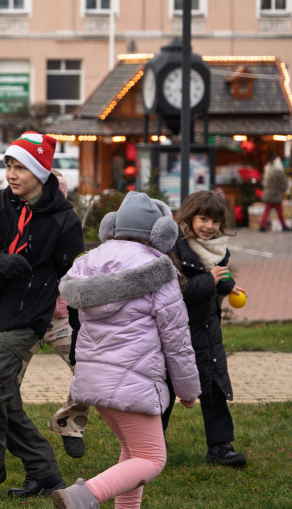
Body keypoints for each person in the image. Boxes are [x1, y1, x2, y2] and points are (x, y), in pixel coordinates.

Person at [0, 132, 84, 499]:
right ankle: (44, 473)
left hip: (29, 318)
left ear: (41, 172)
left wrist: (75, 325)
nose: (12, 174)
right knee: (2, 396)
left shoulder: (64, 221)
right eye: (9, 166)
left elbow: (72, 277)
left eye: (21, 168)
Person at [52, 191, 200, 509]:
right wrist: (188, 389)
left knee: (132, 453)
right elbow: (177, 340)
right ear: (161, 233)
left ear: (113, 227)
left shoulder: (89, 262)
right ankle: (84, 495)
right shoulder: (159, 272)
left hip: (94, 379)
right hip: (135, 380)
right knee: (151, 459)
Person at [164, 190, 249, 467]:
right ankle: (150, 444)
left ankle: (220, 447)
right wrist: (210, 281)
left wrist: (228, 285)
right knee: (164, 390)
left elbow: (219, 277)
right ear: (189, 217)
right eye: (203, 219)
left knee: (213, 388)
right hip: (178, 333)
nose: (209, 227)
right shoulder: (176, 248)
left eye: (215, 221)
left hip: (207, 333)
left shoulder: (217, 251)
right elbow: (178, 291)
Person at [260, 153, 289, 232]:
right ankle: (284, 226)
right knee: (280, 211)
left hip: (267, 193)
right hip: (275, 194)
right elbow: (284, 182)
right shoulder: (278, 171)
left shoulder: (267, 169)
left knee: (266, 211)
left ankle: (262, 225)